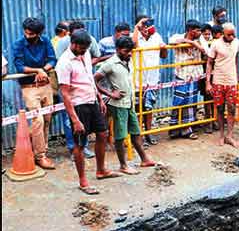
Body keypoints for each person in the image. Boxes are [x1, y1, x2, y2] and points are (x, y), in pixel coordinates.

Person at [57, 30, 119, 193]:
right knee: (79, 143)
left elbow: (89, 78)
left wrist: (98, 97)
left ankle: (101, 170)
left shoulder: (84, 54)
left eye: (86, 49)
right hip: (78, 105)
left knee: (102, 134)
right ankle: (83, 181)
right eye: (82, 48)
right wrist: (75, 119)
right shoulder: (64, 62)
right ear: (74, 44)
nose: (84, 51)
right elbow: (64, 93)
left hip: (91, 100)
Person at [94, 35, 156, 175]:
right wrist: (110, 94)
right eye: (125, 51)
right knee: (120, 136)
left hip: (129, 103)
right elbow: (95, 80)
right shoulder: (110, 63)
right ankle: (123, 165)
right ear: (117, 49)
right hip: (118, 105)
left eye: (130, 51)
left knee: (135, 132)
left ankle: (144, 158)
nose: (129, 54)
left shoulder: (128, 61)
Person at [12, 17, 57, 169]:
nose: (27, 35)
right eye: (26, 32)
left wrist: (44, 70)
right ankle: (40, 156)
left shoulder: (45, 41)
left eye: (31, 34)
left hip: (45, 85)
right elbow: (19, 67)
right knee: (38, 120)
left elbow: (52, 60)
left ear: (39, 33)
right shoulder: (18, 44)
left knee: (47, 119)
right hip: (29, 87)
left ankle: (41, 149)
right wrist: (38, 69)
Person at [131, 15, 167, 145]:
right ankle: (138, 135)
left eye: (148, 24)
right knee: (137, 109)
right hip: (137, 80)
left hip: (152, 79)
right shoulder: (133, 36)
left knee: (149, 107)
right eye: (144, 24)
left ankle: (148, 133)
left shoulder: (156, 36)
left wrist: (164, 48)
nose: (147, 27)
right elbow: (133, 45)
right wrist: (137, 28)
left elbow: (163, 55)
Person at [168, 20, 206, 139]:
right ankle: (174, 128)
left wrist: (195, 44)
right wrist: (190, 42)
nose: (200, 32)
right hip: (181, 74)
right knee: (179, 101)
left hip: (194, 75)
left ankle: (187, 129)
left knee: (190, 102)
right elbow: (171, 41)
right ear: (190, 30)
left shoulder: (201, 40)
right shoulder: (177, 36)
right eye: (197, 30)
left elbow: (205, 50)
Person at [206, 22, 239, 147]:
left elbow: (237, 59)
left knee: (232, 108)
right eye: (229, 35)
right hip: (219, 81)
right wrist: (208, 83)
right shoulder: (216, 44)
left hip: (231, 81)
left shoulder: (237, 42)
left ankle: (229, 136)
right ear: (223, 33)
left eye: (233, 34)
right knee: (220, 109)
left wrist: (238, 76)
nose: (232, 37)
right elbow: (209, 63)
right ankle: (221, 135)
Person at [198, 24, 216, 133]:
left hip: (214, 73)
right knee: (207, 96)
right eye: (205, 34)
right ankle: (208, 120)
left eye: (209, 34)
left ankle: (214, 120)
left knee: (215, 97)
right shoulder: (200, 43)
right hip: (204, 73)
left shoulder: (213, 42)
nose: (207, 36)